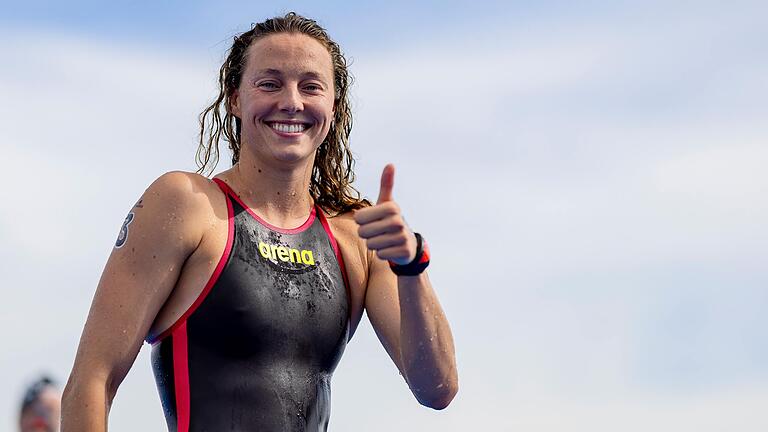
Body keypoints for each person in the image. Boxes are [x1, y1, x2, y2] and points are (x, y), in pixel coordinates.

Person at [62, 12, 457, 431]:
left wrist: (411, 266)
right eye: (270, 83)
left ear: (334, 106)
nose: (291, 101)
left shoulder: (354, 235)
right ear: (235, 98)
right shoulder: (189, 206)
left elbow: (437, 389)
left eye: (311, 86)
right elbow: (92, 380)